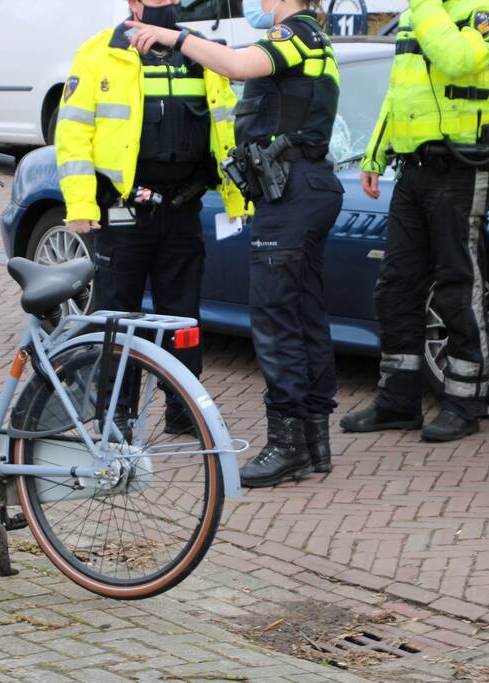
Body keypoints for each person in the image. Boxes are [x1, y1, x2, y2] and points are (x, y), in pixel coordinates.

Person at [128, 0, 344, 486]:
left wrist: (175, 38)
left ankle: (286, 444)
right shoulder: (310, 38)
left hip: (292, 192)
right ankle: (313, 440)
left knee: (274, 317)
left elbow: (239, 64)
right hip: (300, 189)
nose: (257, 5)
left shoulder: (299, 34)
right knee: (305, 312)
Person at [56, 0, 247, 436]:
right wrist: (82, 205)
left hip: (183, 208)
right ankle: (114, 415)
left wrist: (236, 199)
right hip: (123, 212)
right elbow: (72, 134)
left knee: (182, 319)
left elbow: (226, 125)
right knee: (115, 317)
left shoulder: (199, 52)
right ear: (133, 3)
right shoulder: (99, 52)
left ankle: (184, 411)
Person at [339, 0, 489, 442]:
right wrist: (375, 153)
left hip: (464, 165)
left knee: (459, 283)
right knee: (396, 284)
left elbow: (457, 60)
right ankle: (398, 400)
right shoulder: (422, 14)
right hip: (414, 170)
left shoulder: (486, 11)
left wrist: (424, 6)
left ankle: (465, 402)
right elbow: (401, 93)